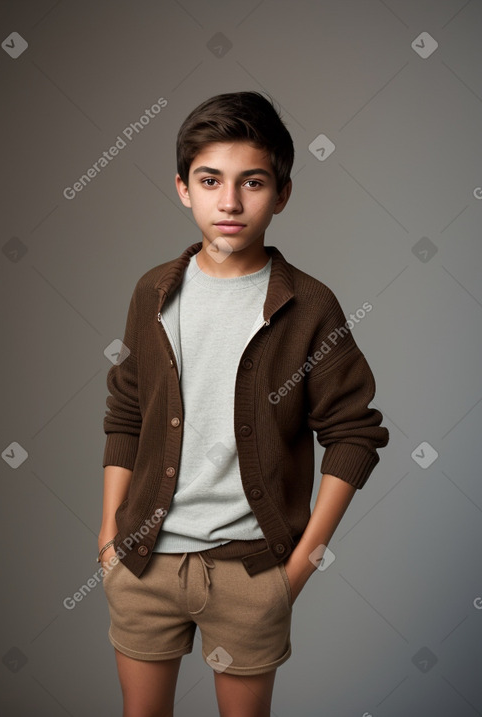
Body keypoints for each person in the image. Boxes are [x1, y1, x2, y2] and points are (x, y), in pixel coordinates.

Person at [98, 90, 389, 717]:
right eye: (211, 180)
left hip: (253, 573)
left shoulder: (310, 306)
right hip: (144, 562)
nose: (229, 202)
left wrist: (299, 568)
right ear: (183, 188)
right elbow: (126, 411)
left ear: (282, 194)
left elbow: (355, 435)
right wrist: (108, 533)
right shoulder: (153, 292)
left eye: (252, 182)